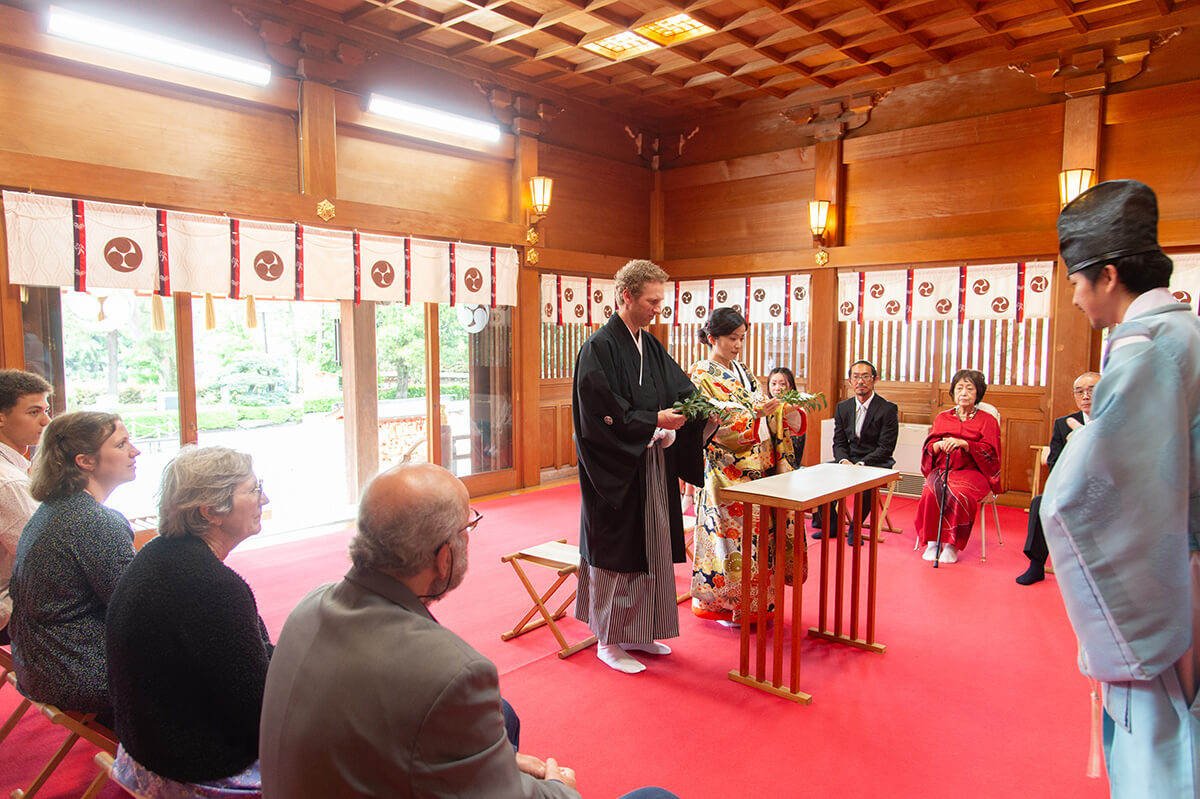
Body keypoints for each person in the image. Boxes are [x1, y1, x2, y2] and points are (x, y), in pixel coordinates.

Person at [259, 462, 678, 799]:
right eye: (467, 529)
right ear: (443, 558)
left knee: (504, 718)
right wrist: (556, 788)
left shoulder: (308, 606)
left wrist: (501, 762)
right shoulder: (451, 671)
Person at [1041, 180, 1200, 797]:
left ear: (1107, 275)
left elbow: (1082, 495)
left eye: (1077, 282)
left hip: (1166, 569)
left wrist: (1081, 444)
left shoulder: (1145, 347)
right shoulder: (1186, 332)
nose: (1076, 298)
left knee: (1160, 742)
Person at [106, 446, 272, 798]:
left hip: (147, 746)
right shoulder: (211, 587)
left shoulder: (157, 553)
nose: (265, 498)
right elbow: (259, 715)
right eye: (254, 490)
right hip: (195, 764)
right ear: (211, 511)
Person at [571, 259, 709, 674]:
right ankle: (608, 640)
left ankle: (640, 630)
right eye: (652, 300)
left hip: (652, 463)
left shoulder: (649, 345)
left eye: (660, 301)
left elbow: (682, 391)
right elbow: (599, 415)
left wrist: (703, 412)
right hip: (614, 469)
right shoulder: (598, 348)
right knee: (618, 551)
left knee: (650, 546)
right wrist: (653, 422)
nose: (657, 309)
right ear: (627, 296)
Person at [9, 412, 139, 725]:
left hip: (39, 663)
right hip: (74, 670)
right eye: (121, 444)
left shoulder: (57, 507)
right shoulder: (93, 521)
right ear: (85, 461)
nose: (135, 451)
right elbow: (137, 609)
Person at [689, 308, 806, 625]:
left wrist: (777, 410)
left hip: (761, 466)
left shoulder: (744, 370)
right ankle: (730, 604)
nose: (738, 345)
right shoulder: (700, 374)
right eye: (731, 338)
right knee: (733, 542)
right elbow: (712, 421)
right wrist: (753, 417)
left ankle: (757, 603)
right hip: (728, 470)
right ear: (712, 338)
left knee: (760, 540)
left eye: (741, 338)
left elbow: (758, 404)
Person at [1015, 371, 1099, 586]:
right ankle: (1036, 565)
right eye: (1080, 392)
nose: (1085, 396)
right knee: (1040, 503)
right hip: (1071, 488)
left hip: (1104, 491)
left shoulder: (1117, 423)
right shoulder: (1064, 424)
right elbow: (1054, 464)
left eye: (1091, 390)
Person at [913, 369, 1001, 565]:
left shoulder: (988, 421)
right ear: (953, 392)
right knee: (930, 490)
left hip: (973, 472)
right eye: (959, 388)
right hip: (944, 468)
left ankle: (952, 544)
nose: (964, 393)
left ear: (978, 393)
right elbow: (929, 446)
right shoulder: (943, 417)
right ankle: (933, 541)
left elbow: (992, 454)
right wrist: (937, 446)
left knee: (959, 493)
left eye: (970, 388)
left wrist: (966, 445)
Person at [811, 360, 899, 537]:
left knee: (865, 483)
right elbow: (839, 442)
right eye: (856, 377)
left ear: (874, 380)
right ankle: (833, 524)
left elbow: (886, 447)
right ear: (850, 381)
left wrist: (861, 464)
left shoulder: (888, 409)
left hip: (876, 461)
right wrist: (844, 461)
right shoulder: (843, 407)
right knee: (820, 477)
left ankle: (856, 528)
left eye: (865, 376)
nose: (860, 381)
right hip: (849, 459)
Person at [0, 370, 51, 646]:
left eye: (46, 410)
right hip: (8, 614)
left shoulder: (13, 472)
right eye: (33, 412)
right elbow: (41, 560)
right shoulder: (9, 482)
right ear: (1, 417)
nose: (46, 421)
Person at [767, 366, 807, 468]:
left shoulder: (794, 406)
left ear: (790, 386)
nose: (777, 388)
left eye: (782, 384)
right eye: (773, 383)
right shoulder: (767, 404)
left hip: (789, 461)